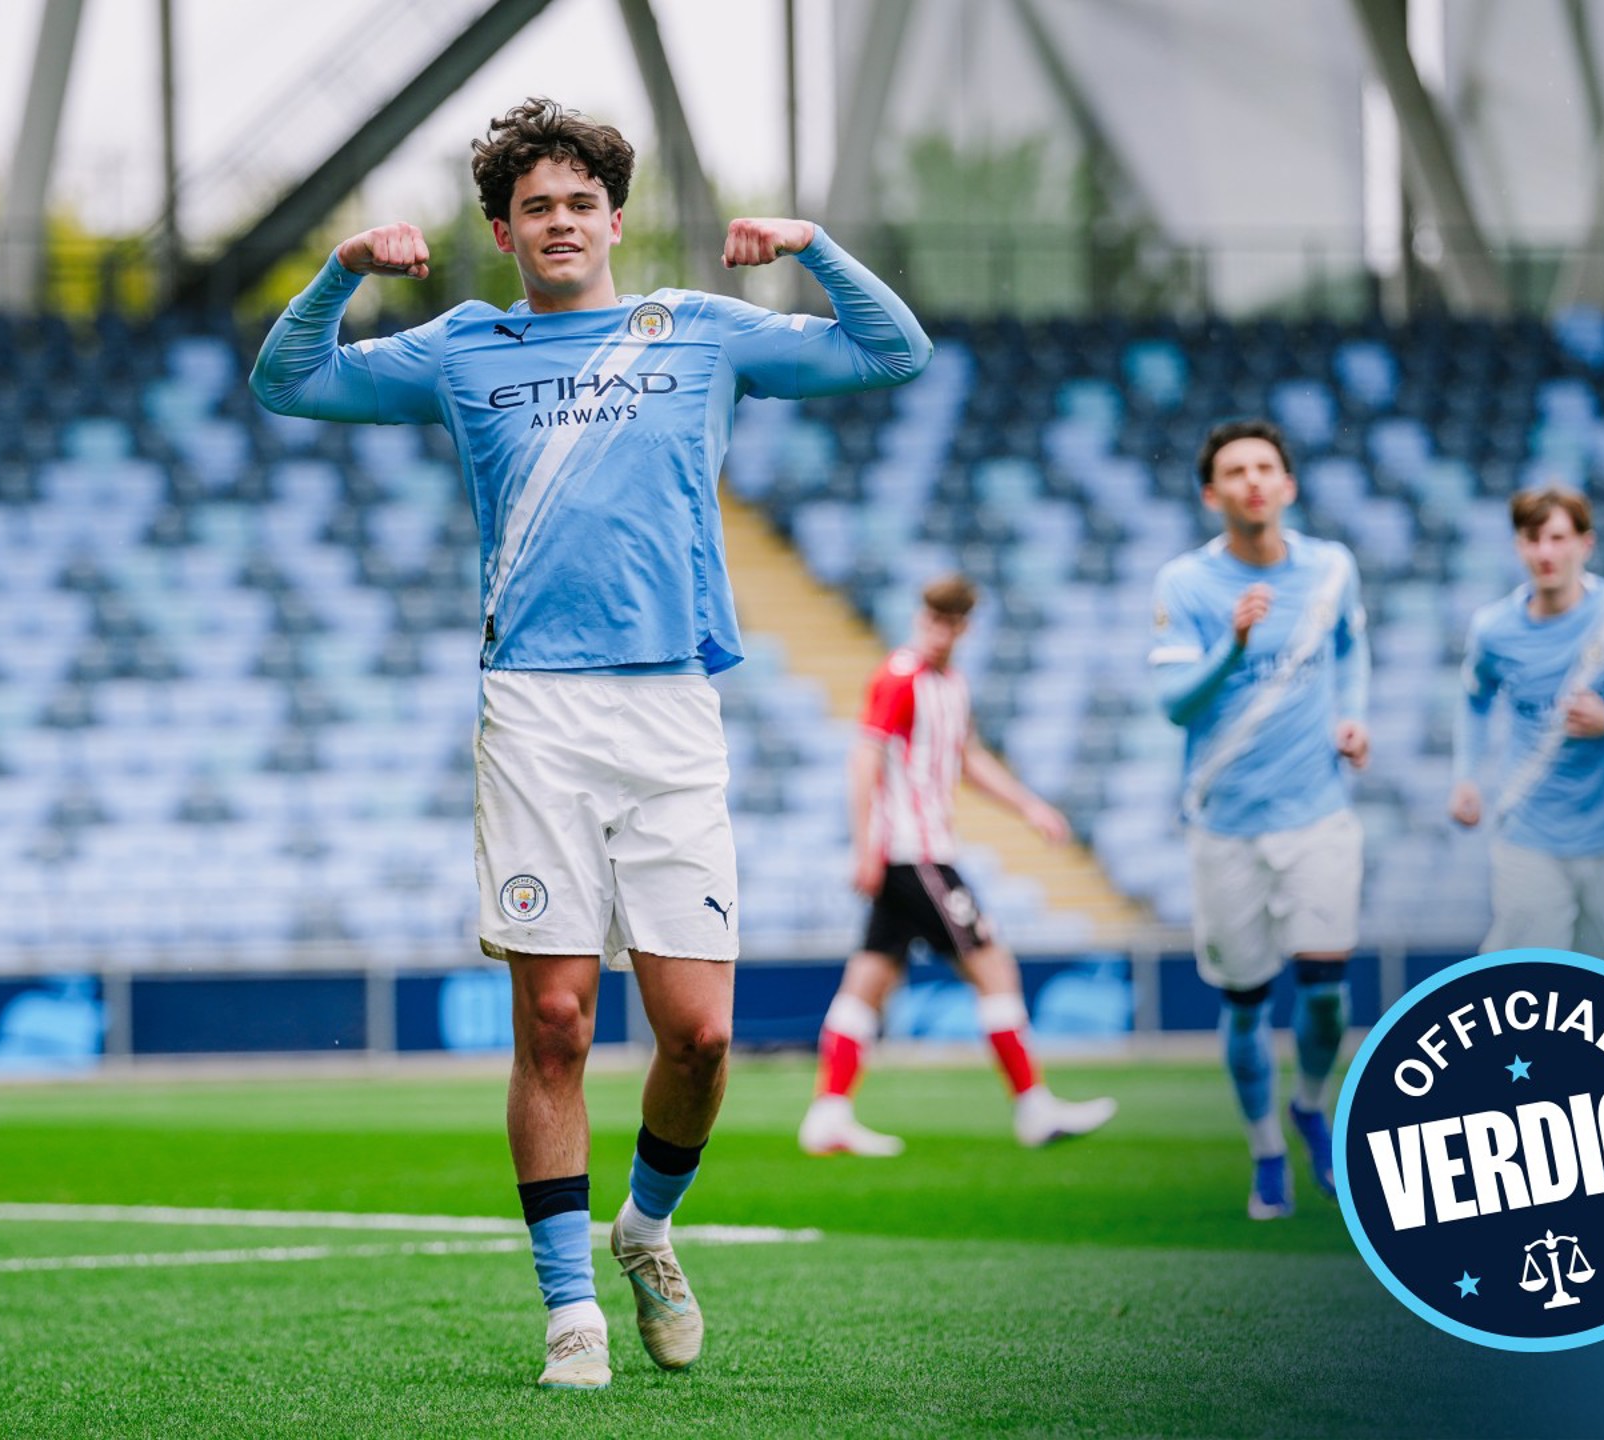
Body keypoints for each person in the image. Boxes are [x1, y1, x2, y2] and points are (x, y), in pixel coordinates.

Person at [250, 97, 928, 1389]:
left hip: (674, 710)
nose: (559, 223)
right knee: (555, 1018)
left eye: (580, 203)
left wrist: (815, 243)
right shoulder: (461, 348)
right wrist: (341, 272)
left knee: (702, 1036)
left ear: (614, 219)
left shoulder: (701, 333)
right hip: (536, 711)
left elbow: (892, 353)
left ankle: (648, 1229)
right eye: (534, 208)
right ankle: (570, 1310)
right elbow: (287, 382)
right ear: (504, 232)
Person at [799, 575, 1116, 1156]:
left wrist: (1029, 806)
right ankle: (1033, 1106)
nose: (939, 631)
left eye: (950, 623)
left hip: (915, 854)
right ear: (920, 617)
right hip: (916, 855)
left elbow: (966, 758)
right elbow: (863, 760)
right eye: (931, 619)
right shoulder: (900, 679)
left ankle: (829, 1114)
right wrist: (865, 847)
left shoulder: (951, 684)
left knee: (870, 980)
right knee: (993, 965)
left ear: (965, 628)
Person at [1148, 420, 1370, 1221]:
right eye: (1235, 471)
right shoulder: (1185, 584)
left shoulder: (1331, 568)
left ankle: (1311, 1102)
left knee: (1324, 992)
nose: (1252, 481)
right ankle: (1266, 1151)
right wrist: (1235, 644)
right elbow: (1176, 706)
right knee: (1245, 1000)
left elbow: (1350, 650)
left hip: (1318, 812)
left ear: (1288, 484)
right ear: (1212, 494)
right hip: (1225, 821)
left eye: (1265, 467)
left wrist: (1354, 718)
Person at [1450, 485, 1604, 967]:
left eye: (1559, 538)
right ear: (1518, 546)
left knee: (1597, 988)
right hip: (1530, 832)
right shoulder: (1494, 629)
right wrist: (1465, 775)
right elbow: (1474, 699)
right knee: (1523, 982)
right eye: (1533, 539)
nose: (1546, 552)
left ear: (1586, 544)